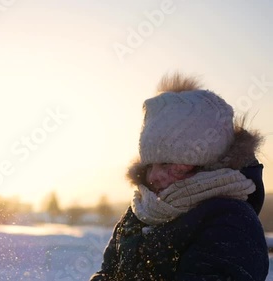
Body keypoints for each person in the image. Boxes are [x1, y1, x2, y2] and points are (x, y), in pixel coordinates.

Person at [90, 73, 269, 280]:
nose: (154, 176)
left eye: (167, 164)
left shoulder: (232, 223)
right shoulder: (140, 212)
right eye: (150, 165)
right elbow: (108, 272)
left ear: (204, 162)